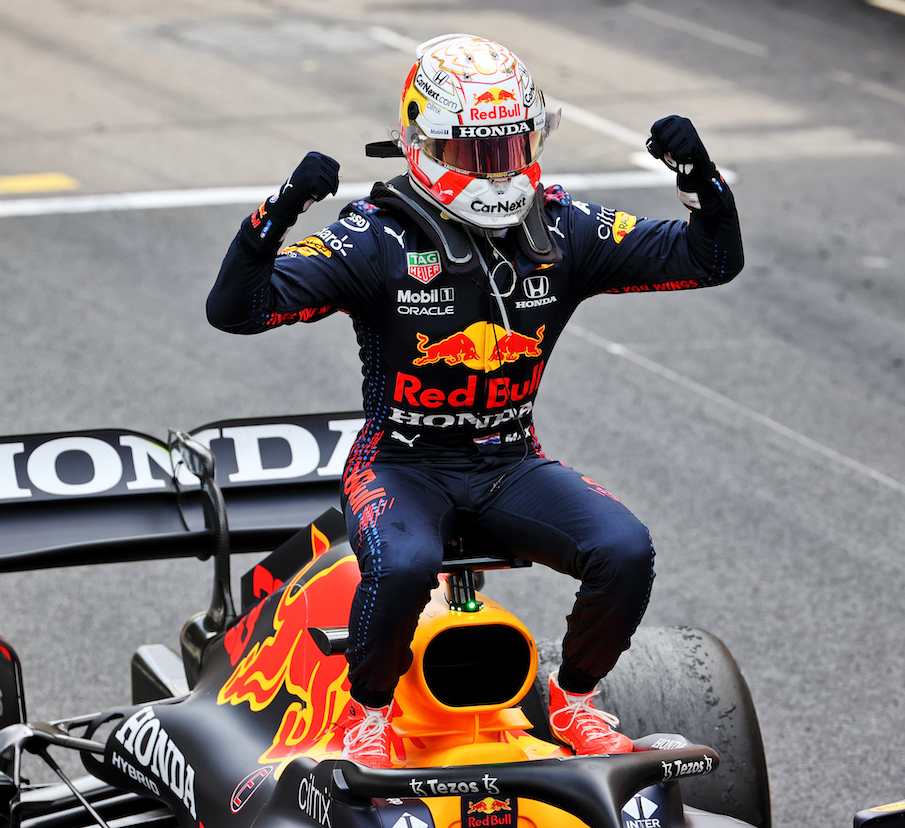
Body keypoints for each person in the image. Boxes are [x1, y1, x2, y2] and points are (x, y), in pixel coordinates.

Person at [207, 33, 742, 769]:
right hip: (399, 466)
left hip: (508, 463)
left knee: (624, 548)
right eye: (476, 154)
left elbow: (710, 258)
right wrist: (276, 213)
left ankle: (575, 702)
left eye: (510, 148)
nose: (498, 171)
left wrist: (702, 181)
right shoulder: (375, 238)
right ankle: (368, 716)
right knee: (401, 567)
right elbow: (236, 307)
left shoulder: (563, 230)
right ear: (423, 146)